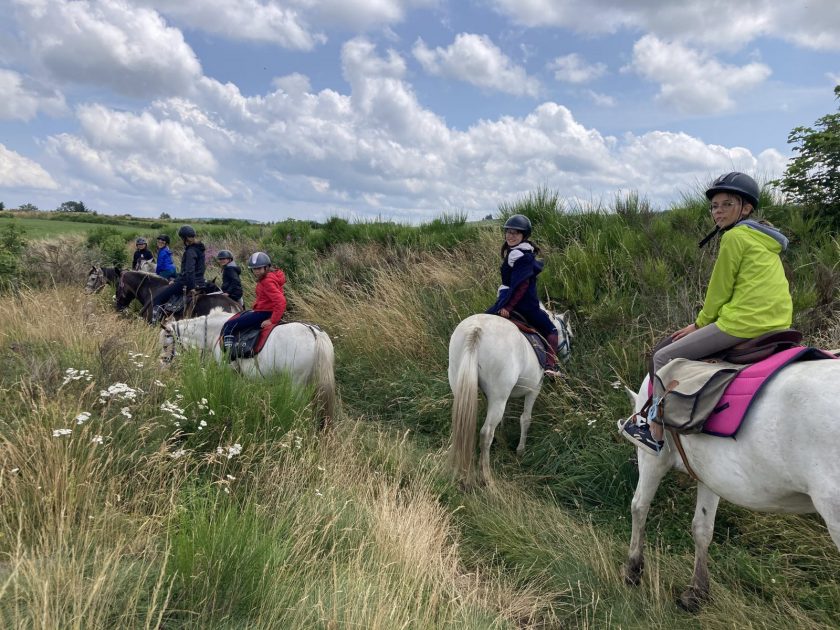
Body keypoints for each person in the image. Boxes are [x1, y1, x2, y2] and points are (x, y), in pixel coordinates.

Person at [619, 172, 793, 455]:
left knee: (663, 356)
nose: (718, 211)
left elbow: (720, 288)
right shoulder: (765, 240)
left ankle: (653, 429)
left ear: (746, 208)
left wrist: (699, 324)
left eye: (727, 204)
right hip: (778, 323)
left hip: (743, 323)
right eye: (714, 206)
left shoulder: (735, 237)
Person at [486, 214, 560, 379]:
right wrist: (507, 305)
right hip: (524, 304)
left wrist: (508, 307)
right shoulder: (520, 253)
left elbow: (522, 285)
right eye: (508, 232)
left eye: (516, 233)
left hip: (514, 301)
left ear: (523, 236)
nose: (510, 236)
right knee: (552, 330)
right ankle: (550, 365)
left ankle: (550, 366)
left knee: (484, 316)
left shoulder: (520, 255)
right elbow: (521, 285)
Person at [220, 252, 286, 349]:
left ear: (266, 267)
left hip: (264, 313)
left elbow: (280, 301)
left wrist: (272, 320)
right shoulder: (271, 276)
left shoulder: (267, 281)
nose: (256, 271)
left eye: (259, 268)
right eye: (254, 269)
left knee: (229, 325)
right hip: (266, 311)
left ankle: (229, 352)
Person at [150, 225, 207, 322]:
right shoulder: (200, 249)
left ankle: (153, 323)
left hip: (188, 282)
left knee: (157, 299)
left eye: (181, 238)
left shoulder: (190, 251)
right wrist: (176, 280)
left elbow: (189, 271)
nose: (181, 240)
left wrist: (191, 287)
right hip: (201, 282)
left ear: (184, 238)